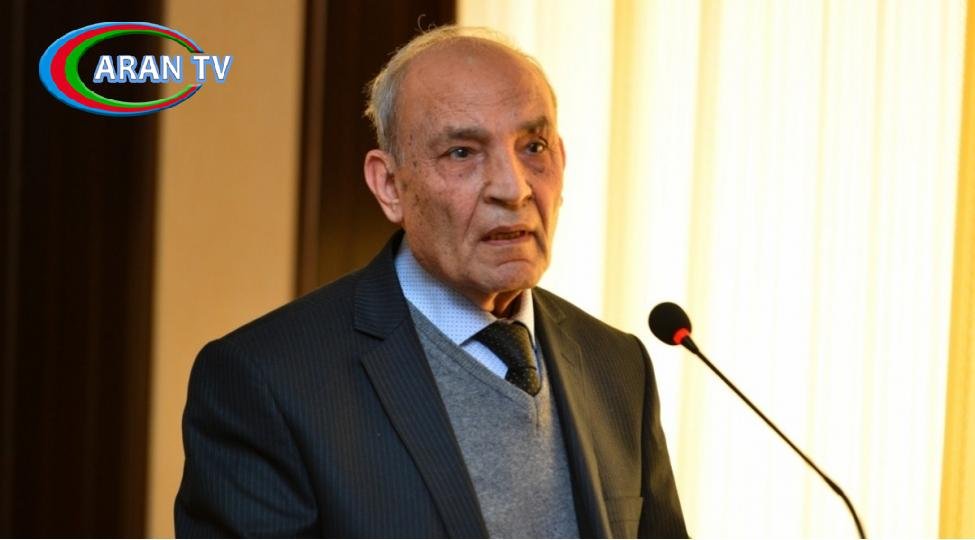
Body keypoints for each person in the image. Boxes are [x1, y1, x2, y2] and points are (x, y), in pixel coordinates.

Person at [175, 26, 687, 538]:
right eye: (462, 152)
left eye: (534, 147)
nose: (514, 188)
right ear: (389, 185)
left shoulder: (617, 365)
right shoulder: (268, 379)